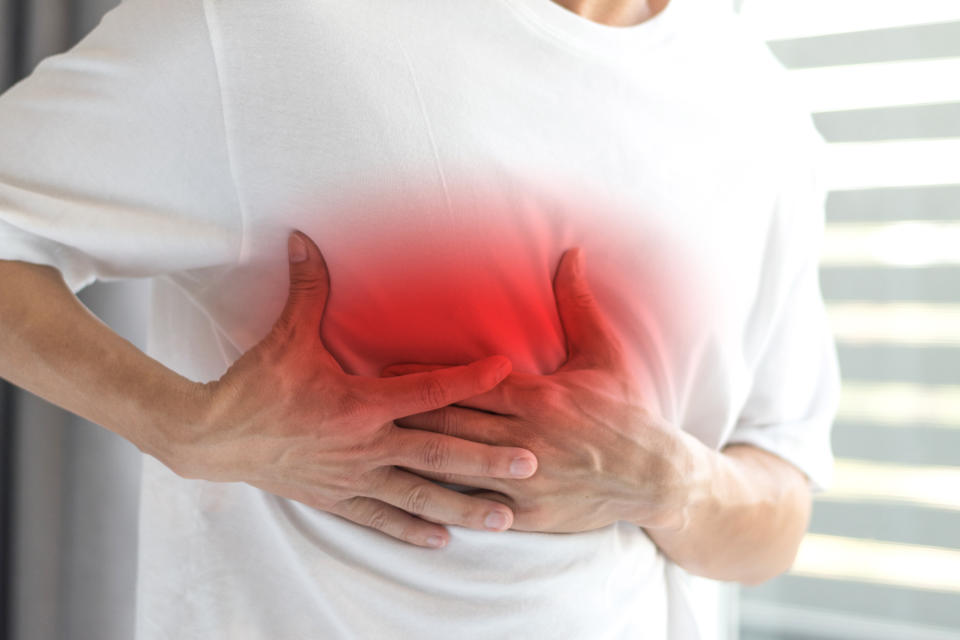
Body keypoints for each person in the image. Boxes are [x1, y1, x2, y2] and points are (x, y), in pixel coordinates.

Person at [0, 0, 840, 637]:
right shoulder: (270, 23)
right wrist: (181, 425)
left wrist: (671, 484)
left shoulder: (763, 113)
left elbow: (775, 517)